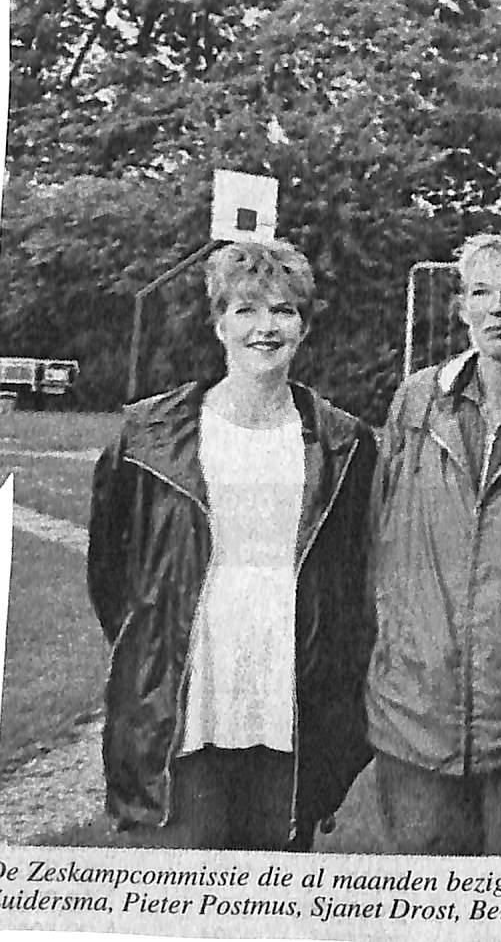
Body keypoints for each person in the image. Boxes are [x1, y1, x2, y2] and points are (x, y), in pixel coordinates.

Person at [87, 240, 377, 850]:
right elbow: (111, 572)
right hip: (187, 703)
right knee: (184, 885)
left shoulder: (345, 444)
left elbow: (356, 582)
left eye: (283, 311)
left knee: (272, 886)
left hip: (291, 701)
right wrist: (154, 645)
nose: (265, 328)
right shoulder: (149, 436)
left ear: (304, 325)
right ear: (219, 322)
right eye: (246, 310)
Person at [364, 233, 501, 855]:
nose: (497, 307)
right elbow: (378, 535)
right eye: (481, 292)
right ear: (462, 307)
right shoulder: (417, 402)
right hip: (415, 713)